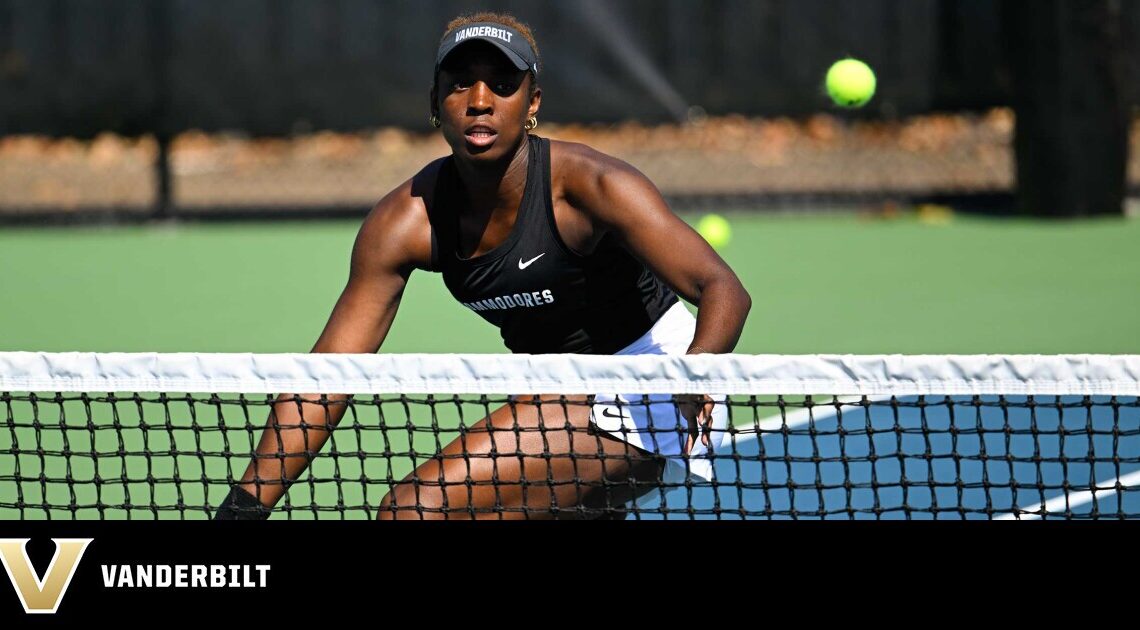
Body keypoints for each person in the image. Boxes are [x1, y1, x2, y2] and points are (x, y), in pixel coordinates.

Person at [215, 11, 750, 520]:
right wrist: (245, 507)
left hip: (653, 383)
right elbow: (327, 378)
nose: (479, 101)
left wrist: (693, 370)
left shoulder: (593, 185)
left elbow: (722, 287)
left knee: (416, 510)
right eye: (459, 83)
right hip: (554, 393)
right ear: (435, 102)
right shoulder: (406, 222)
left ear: (532, 101)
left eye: (502, 83)